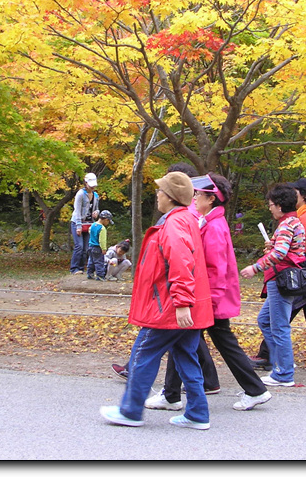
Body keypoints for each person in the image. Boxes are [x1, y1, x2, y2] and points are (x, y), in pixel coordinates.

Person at [145, 173, 272, 412]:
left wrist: (207, 303)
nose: (193, 199)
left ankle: (173, 395)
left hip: (212, 299)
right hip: (211, 298)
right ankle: (253, 389)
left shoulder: (214, 227)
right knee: (192, 341)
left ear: (211, 199)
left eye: (198, 195)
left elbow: (215, 269)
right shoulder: (211, 222)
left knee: (188, 338)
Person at [100, 171, 214, 430]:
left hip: (169, 307)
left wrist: (182, 302)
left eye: (161, 191)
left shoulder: (174, 224)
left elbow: (182, 263)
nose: (157, 195)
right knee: (186, 357)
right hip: (179, 305)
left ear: (171, 197)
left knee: (143, 353)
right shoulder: (185, 219)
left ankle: (130, 411)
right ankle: (197, 413)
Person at [252, 178, 306, 372]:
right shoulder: (300, 216)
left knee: (281, 317)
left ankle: (270, 357)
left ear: (304, 195)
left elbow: (301, 247)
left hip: (305, 272)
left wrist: (275, 248)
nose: (293, 195)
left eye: (296, 192)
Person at [240, 184, 306, 387]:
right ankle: (283, 363)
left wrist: (255, 267)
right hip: (283, 280)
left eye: (271, 205)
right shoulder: (294, 222)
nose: (269, 208)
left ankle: (284, 373)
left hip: (281, 280)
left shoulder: (286, 225)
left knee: (279, 326)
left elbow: (280, 254)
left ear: (279, 205)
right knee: (266, 321)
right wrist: (275, 243)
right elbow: (291, 248)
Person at [69, 173, 100, 274]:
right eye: (90, 184)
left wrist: (97, 213)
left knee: (86, 248)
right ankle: (74, 268)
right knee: (79, 246)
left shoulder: (95, 195)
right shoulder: (80, 194)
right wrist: (78, 226)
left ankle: (81, 268)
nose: (92, 187)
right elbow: (77, 210)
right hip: (78, 223)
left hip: (89, 224)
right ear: (86, 183)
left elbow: (96, 209)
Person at [87, 210, 114, 281]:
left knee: (91, 261)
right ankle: (100, 275)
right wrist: (104, 249)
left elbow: (89, 231)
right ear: (105, 219)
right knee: (99, 262)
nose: (107, 223)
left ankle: (90, 273)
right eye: (108, 221)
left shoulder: (93, 225)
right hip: (97, 247)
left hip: (90, 246)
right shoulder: (102, 228)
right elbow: (102, 240)